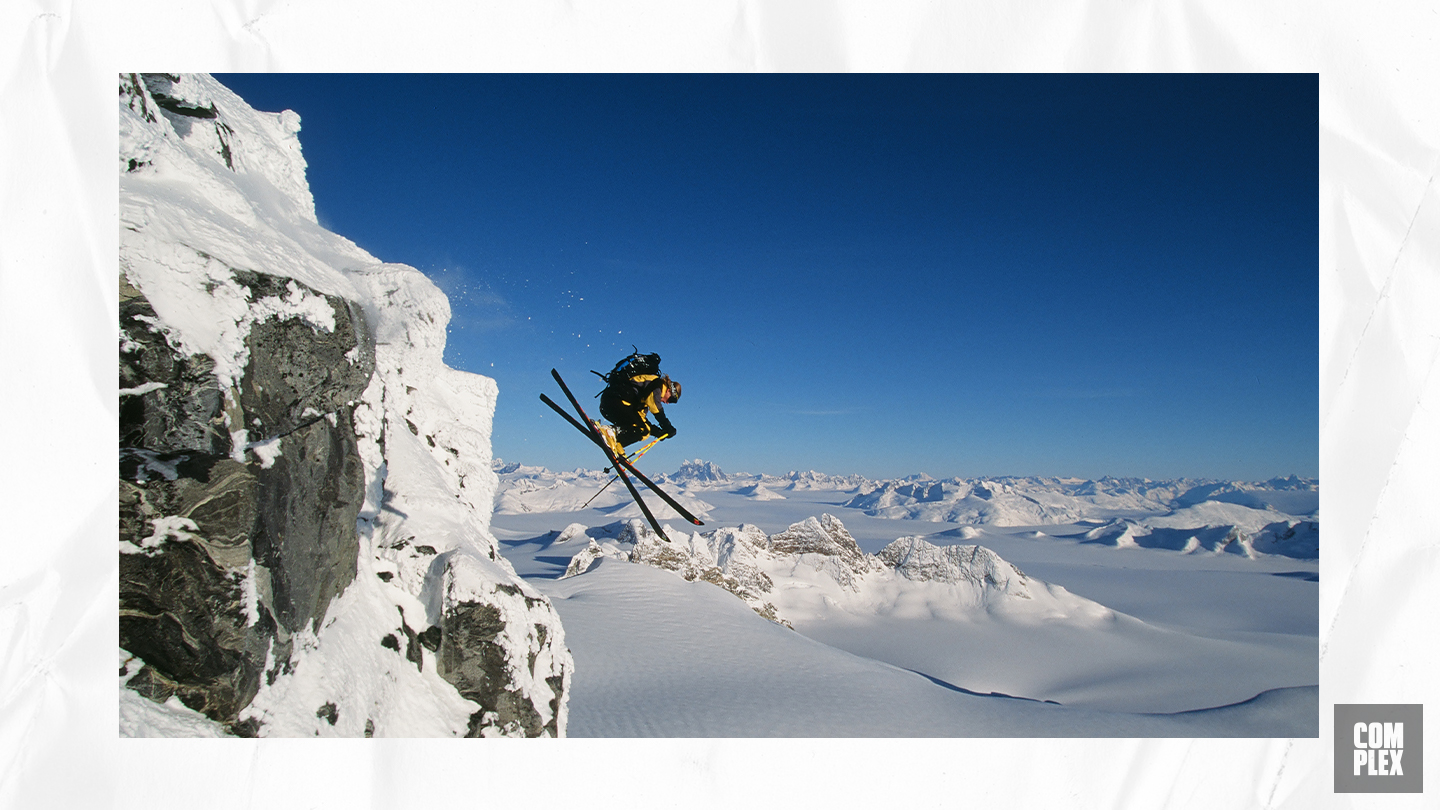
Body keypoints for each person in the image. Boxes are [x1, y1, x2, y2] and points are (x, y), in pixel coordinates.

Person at [595, 361, 681, 458]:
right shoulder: (657, 386)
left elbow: (640, 419)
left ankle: (617, 442)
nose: (667, 402)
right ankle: (610, 432)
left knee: (644, 430)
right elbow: (656, 408)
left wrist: (657, 432)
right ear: (669, 390)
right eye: (671, 399)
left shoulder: (644, 397)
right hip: (617, 401)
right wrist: (667, 426)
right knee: (643, 430)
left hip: (610, 404)